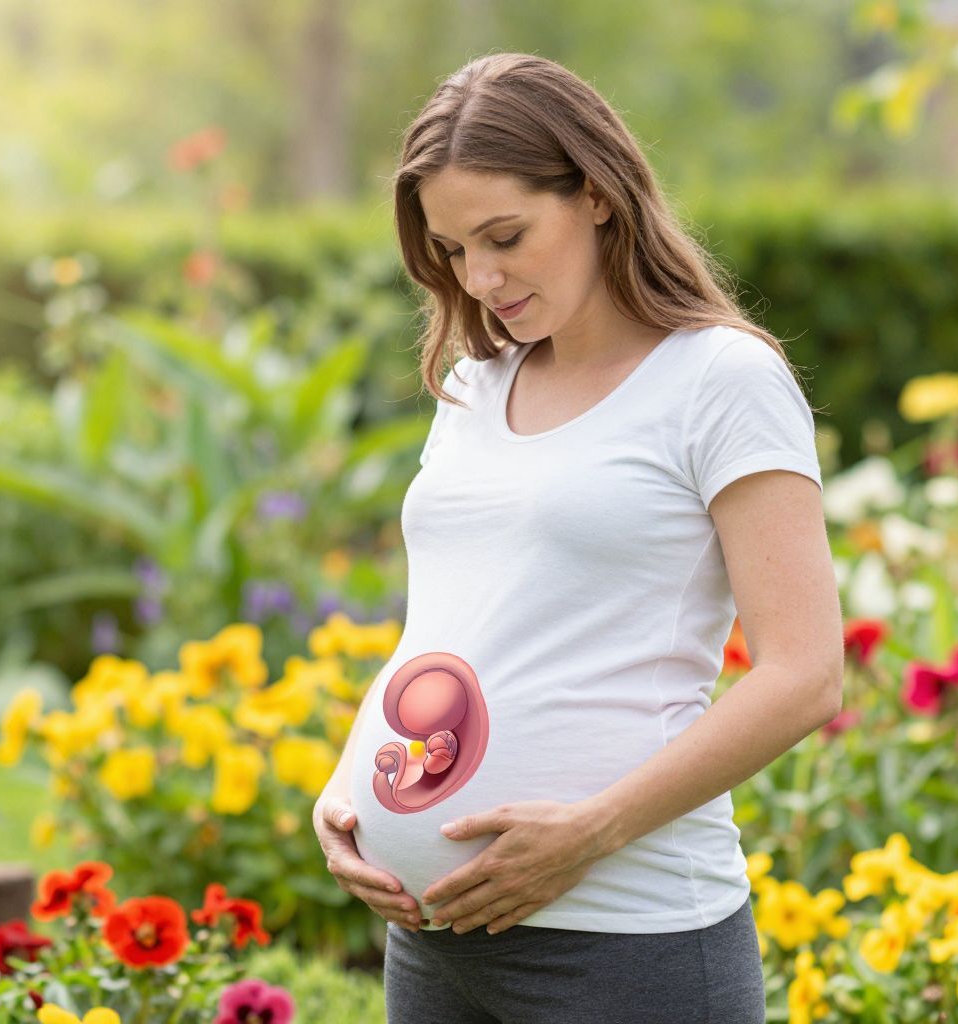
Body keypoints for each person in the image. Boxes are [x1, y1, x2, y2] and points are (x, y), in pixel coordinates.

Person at [311, 52, 843, 1024]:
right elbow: (452, 627)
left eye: (505, 236)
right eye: (452, 250)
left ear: (596, 193)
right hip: (434, 942)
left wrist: (590, 830)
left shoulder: (720, 380)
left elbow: (804, 675)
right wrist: (347, 792)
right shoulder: (476, 384)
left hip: (626, 942)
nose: (480, 277)